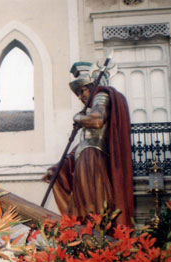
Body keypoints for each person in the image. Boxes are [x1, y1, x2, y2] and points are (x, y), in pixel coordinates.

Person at [42, 62, 134, 226]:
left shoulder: (101, 96)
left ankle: (95, 232)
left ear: (93, 86)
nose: (80, 97)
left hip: (92, 158)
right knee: (84, 207)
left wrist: (77, 118)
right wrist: (57, 168)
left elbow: (97, 121)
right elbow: (80, 146)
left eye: (82, 90)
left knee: (92, 206)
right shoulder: (91, 106)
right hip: (85, 157)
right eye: (78, 93)